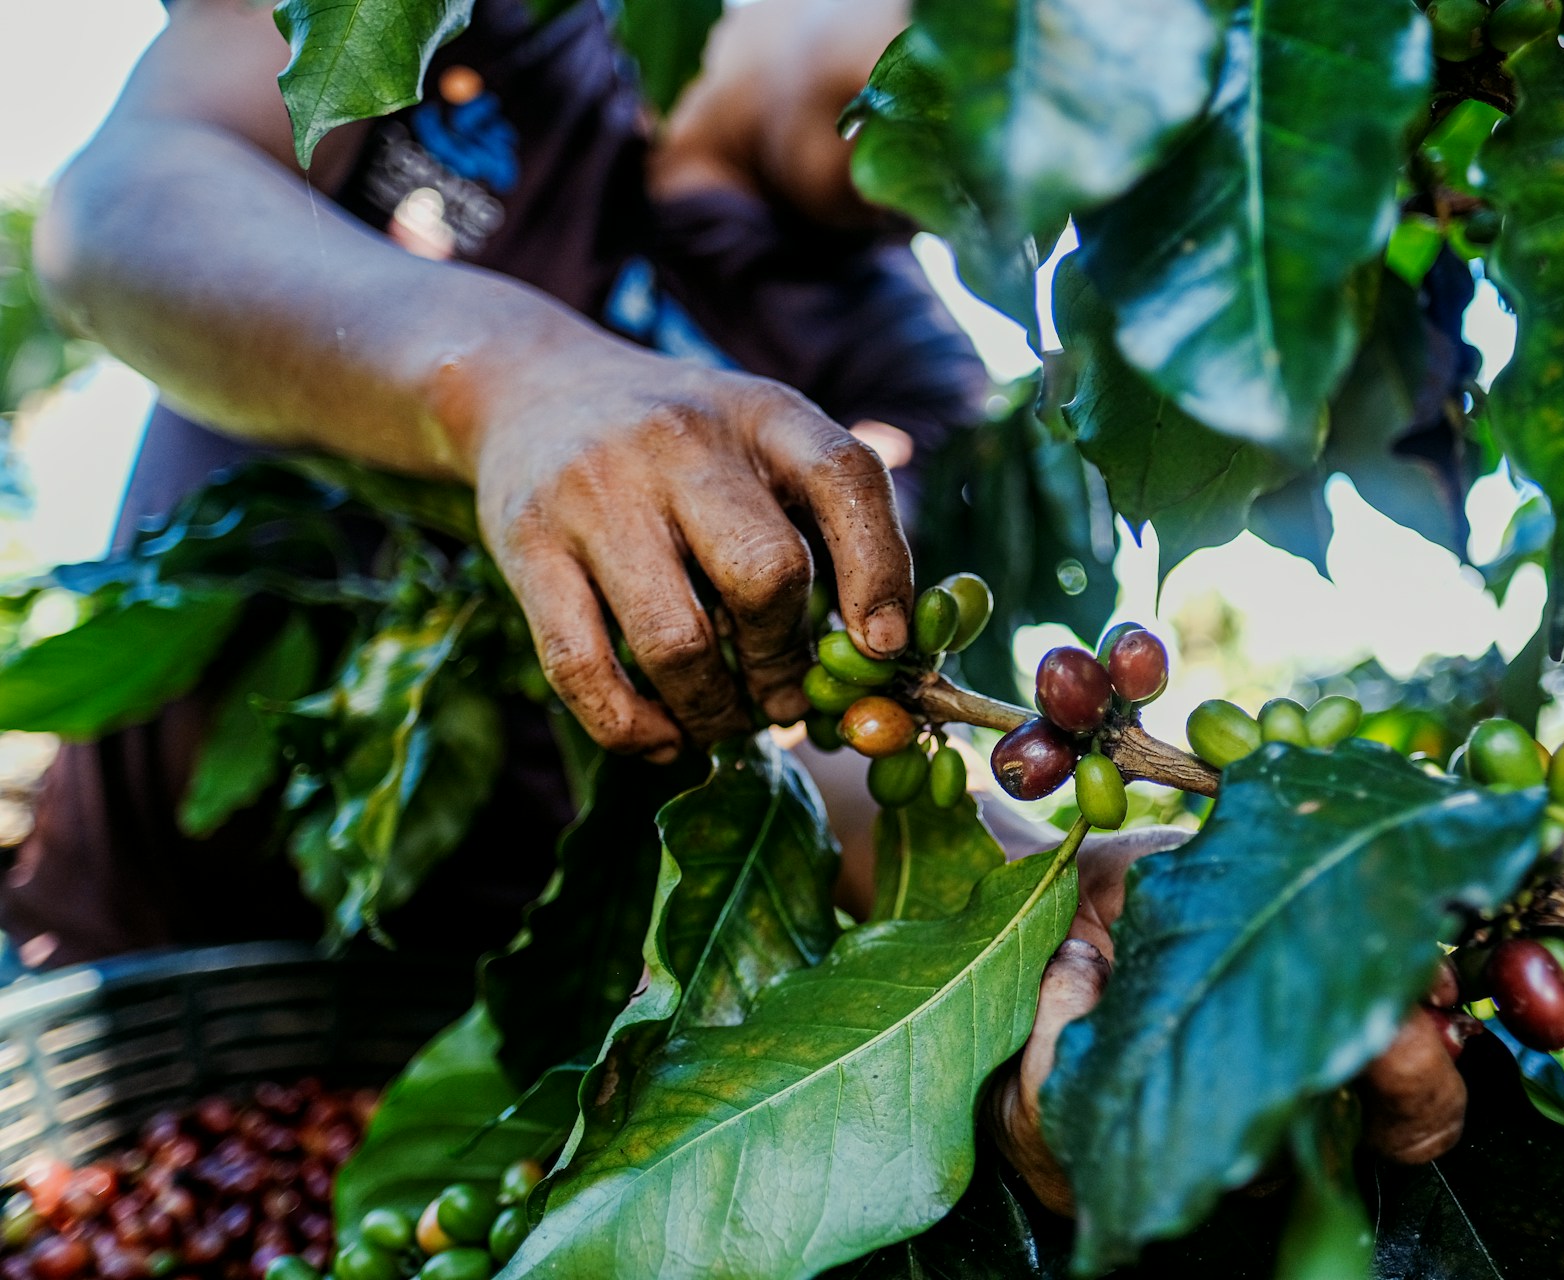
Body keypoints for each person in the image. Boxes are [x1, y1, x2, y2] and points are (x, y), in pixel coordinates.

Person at [17, 0, 1468, 1221]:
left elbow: (835, 716)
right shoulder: (491, 17)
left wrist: (1027, 906)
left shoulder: (906, 378)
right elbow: (125, 202)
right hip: (111, 979)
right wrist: (510, 378)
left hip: (480, 1061)